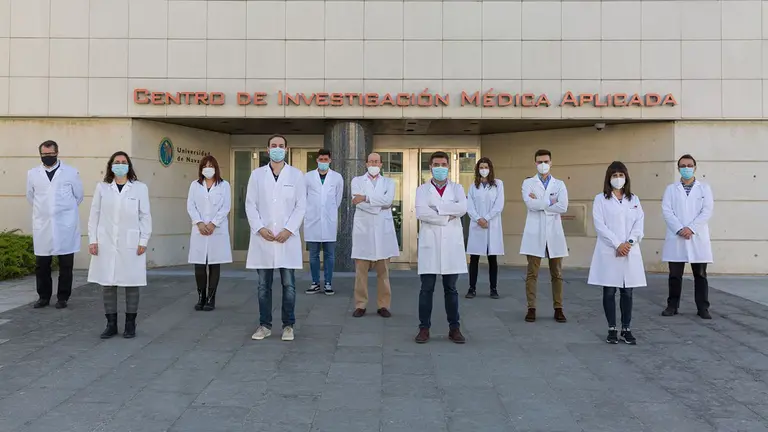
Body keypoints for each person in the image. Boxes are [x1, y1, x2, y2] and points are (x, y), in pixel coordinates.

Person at [246, 135, 306, 342]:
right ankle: (264, 325)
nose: (277, 149)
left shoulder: (296, 175)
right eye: (274, 146)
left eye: (281, 146)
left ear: (287, 149)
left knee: (289, 285)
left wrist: (289, 230)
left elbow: (301, 206)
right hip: (264, 238)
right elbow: (250, 204)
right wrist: (260, 228)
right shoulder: (256, 175)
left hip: (286, 239)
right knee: (264, 286)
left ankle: (288, 325)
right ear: (267, 149)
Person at [87, 151, 152, 339]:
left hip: (131, 243)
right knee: (108, 283)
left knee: (132, 283)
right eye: (117, 162)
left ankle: (130, 324)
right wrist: (93, 239)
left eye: (124, 162)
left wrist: (143, 240)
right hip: (106, 241)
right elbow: (94, 215)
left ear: (129, 166)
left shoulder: (140, 188)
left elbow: (145, 216)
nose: (120, 165)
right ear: (111, 166)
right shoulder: (102, 188)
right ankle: (111, 324)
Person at [587, 161, 645, 344]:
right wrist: (617, 244)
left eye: (621, 175)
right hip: (610, 250)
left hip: (629, 250)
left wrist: (628, 243)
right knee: (609, 291)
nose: (618, 179)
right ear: (608, 178)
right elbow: (600, 225)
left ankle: (626, 328)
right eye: (614, 175)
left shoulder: (633, 199)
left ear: (626, 177)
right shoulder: (600, 199)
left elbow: (639, 224)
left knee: (627, 292)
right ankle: (612, 328)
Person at [414, 151, 467, 344]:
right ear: (430, 167)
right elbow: (421, 212)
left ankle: (454, 328)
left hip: (451, 245)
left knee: (451, 289)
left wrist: (438, 210)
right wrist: (448, 215)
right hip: (430, 243)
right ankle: (424, 328)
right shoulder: (422, 190)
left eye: (443, 164)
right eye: (437, 164)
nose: (440, 168)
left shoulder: (458, 188)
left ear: (448, 167)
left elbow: (462, 208)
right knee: (426, 288)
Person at [26, 140, 84, 309]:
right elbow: (31, 196)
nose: (48, 157)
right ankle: (43, 297)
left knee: (66, 264)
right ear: (40, 155)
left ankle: (62, 297)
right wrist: (44, 211)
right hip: (43, 225)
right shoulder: (32, 174)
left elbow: (78, 196)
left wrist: (63, 210)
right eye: (44, 154)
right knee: (42, 264)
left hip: (65, 225)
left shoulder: (70, 172)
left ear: (57, 153)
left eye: (51, 154)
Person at [661, 154, 714, 319]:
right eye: (683, 166)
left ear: (695, 168)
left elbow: (707, 210)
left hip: (696, 236)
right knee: (675, 275)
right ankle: (672, 305)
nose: (686, 168)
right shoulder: (671, 189)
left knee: (700, 275)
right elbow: (667, 210)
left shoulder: (704, 188)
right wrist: (679, 229)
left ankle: (702, 307)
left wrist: (691, 228)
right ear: (678, 169)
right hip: (676, 236)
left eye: (689, 165)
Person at [520, 149, 569, 323]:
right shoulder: (528, 183)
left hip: (554, 233)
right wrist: (550, 202)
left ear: (551, 162)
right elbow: (530, 204)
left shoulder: (560, 184)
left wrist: (540, 203)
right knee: (532, 273)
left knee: (557, 273)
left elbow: (563, 207)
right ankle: (531, 307)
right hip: (535, 232)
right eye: (540, 162)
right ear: (535, 163)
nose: (543, 165)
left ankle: (558, 308)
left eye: (546, 161)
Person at [350, 153, 400, 318]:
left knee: (384, 273)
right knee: (361, 273)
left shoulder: (389, 182)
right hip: (363, 231)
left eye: (376, 161)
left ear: (381, 164)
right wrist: (379, 204)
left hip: (382, 232)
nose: (373, 163)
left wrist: (365, 198)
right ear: (366, 164)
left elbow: (388, 201)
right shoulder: (356, 181)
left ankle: (383, 305)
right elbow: (360, 203)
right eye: (371, 161)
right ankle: (360, 305)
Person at [186, 155, 232, 311]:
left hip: (216, 230)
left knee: (214, 264)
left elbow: (226, 207)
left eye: (211, 165)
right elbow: (190, 206)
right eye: (205, 165)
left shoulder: (224, 185)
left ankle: (211, 298)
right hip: (199, 230)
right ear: (201, 168)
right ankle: (201, 297)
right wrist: (199, 222)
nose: (208, 168)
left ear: (216, 167)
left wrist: (213, 223)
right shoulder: (195, 185)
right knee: (199, 265)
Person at [304, 149, 343, 296]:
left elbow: (338, 199)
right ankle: (315, 283)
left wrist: (328, 211)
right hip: (312, 220)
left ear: (330, 160)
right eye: (321, 159)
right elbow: (303, 197)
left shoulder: (337, 177)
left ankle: (328, 283)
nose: (323, 162)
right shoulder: (307, 177)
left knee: (329, 254)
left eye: (326, 159)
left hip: (329, 220)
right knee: (313, 254)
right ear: (317, 160)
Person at [465, 157, 505, 299]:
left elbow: (499, 205)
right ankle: (472, 288)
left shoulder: (498, 184)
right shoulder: (472, 186)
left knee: (492, 259)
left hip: (491, 225)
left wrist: (486, 218)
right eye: (481, 167)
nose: (483, 170)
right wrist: (478, 219)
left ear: (490, 168)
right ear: (477, 170)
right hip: (477, 225)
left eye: (486, 167)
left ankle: (493, 289)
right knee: (474, 258)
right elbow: (469, 206)